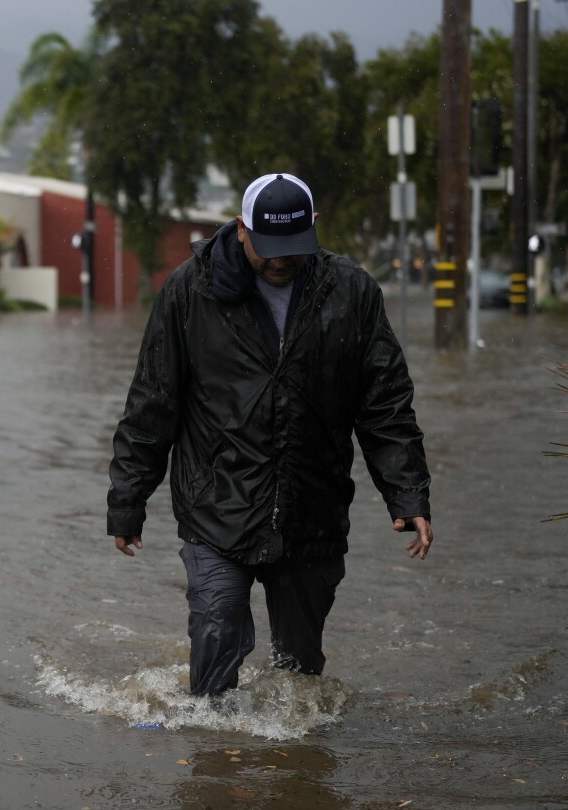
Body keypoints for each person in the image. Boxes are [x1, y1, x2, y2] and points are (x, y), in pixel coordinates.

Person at [106, 172, 434, 697]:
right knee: (217, 635)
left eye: (293, 247)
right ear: (241, 228)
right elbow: (152, 403)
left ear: (314, 227)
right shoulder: (191, 291)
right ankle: (212, 759)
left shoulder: (351, 292)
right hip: (217, 502)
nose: (280, 260)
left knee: (300, 679)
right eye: (268, 247)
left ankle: (293, 772)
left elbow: (385, 405)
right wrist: (128, 501)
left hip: (312, 508)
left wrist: (407, 492)